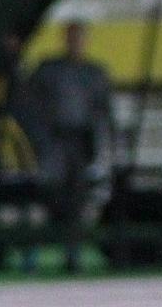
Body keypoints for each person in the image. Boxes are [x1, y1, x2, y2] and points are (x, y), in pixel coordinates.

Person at [23, 22, 114, 272]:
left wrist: (104, 142)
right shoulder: (49, 71)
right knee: (51, 194)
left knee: (78, 198)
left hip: (81, 143)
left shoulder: (94, 73)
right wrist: (39, 137)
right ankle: (35, 251)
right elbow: (30, 105)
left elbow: (103, 111)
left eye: (80, 38)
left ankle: (72, 254)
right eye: (72, 38)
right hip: (54, 142)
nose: (76, 43)